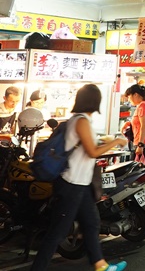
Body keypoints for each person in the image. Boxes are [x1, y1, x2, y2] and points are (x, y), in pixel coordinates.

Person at [31, 84, 129, 271]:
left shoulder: (80, 120)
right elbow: (92, 152)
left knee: (91, 224)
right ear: (95, 101)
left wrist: (103, 141)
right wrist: (116, 141)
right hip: (71, 183)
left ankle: (100, 265)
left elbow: (88, 145)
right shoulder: (81, 120)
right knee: (57, 233)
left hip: (80, 184)